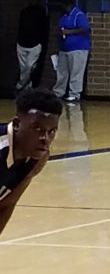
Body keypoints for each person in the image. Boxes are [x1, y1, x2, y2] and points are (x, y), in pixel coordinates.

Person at [1, 89, 62, 235]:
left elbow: (7, 203)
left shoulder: (39, 156)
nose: (45, 139)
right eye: (37, 129)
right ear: (16, 124)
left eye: (51, 131)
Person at [54, 0, 91, 104]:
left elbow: (85, 28)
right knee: (62, 72)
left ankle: (74, 94)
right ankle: (58, 92)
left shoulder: (79, 15)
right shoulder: (63, 16)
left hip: (78, 49)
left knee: (76, 72)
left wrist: (69, 32)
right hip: (64, 49)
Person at [15, 0, 49, 93]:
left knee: (29, 67)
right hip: (22, 43)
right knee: (23, 69)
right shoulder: (24, 12)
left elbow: (44, 30)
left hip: (35, 44)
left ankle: (20, 84)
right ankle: (27, 88)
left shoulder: (42, 13)